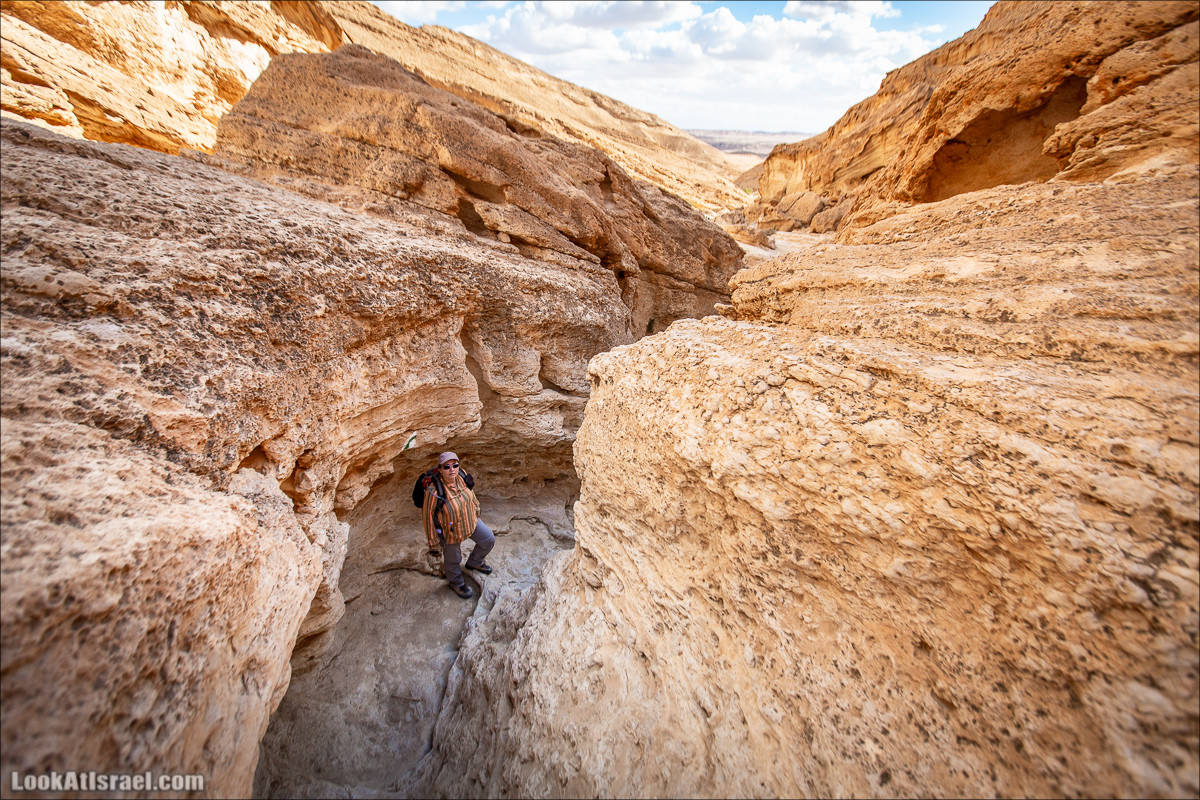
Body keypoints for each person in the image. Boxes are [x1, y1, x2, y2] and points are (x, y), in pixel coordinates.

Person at [423, 452, 495, 599]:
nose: (452, 469)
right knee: (453, 559)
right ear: (440, 469)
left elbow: (471, 493)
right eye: (447, 467)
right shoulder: (434, 491)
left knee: (488, 539)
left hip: (470, 521)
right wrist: (433, 541)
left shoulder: (462, 476)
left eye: (455, 465)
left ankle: (475, 562)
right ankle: (456, 583)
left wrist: (476, 508)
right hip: (451, 531)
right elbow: (427, 516)